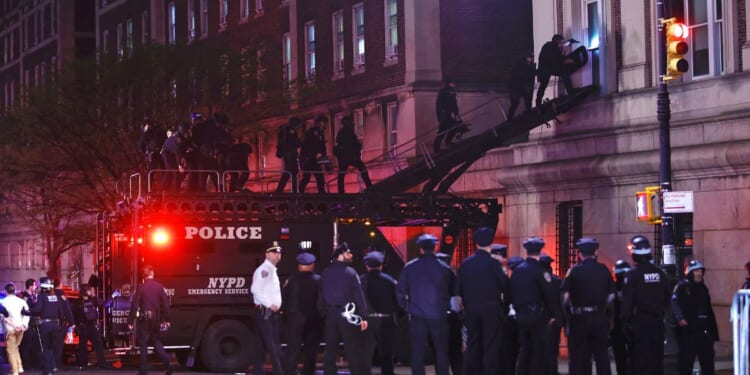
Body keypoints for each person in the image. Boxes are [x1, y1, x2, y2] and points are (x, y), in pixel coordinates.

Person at [397, 234, 453, 375]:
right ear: (434, 248)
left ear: (420, 249)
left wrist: (407, 308)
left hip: (417, 315)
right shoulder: (444, 268)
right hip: (439, 314)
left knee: (417, 351)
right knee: (441, 350)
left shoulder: (409, 267)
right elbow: (454, 289)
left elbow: (400, 291)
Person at [456, 227, 508, 375]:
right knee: (490, 344)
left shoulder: (466, 264)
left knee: (473, 343)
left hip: (471, 308)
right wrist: (504, 306)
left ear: (475, 243)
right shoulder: (494, 264)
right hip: (491, 309)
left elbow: (457, 290)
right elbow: (505, 286)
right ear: (491, 243)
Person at [561, 238, 615, 375]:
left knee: (578, 357)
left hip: (579, 319)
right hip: (599, 317)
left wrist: (566, 316)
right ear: (596, 252)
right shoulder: (603, 270)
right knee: (602, 356)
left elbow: (565, 297)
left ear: (580, 254)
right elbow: (611, 296)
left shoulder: (574, 271)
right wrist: (606, 312)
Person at [510, 237, 562, 375]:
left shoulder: (517, 270)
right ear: (540, 251)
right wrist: (555, 316)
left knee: (524, 349)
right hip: (537, 316)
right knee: (538, 351)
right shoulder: (540, 271)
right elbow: (549, 295)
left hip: (520, 315)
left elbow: (511, 292)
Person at [621, 235, 670, 375]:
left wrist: (625, 324)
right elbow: (667, 298)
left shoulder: (632, 275)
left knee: (639, 363)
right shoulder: (660, 273)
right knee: (656, 362)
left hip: (639, 325)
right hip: (657, 324)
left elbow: (627, 305)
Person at [319, 242, 370, 375]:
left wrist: (324, 312)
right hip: (347, 314)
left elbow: (321, 294)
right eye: (348, 253)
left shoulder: (326, 271)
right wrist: (364, 316)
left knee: (330, 349)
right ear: (341, 255)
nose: (351, 255)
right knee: (352, 348)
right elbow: (359, 296)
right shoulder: (350, 272)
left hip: (331, 314)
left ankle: (329, 372)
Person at [672, 260, 719, 375]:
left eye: (701, 271)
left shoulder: (703, 288)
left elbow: (708, 310)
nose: (699, 274)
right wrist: (680, 318)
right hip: (689, 332)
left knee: (708, 364)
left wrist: (713, 332)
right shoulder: (682, 287)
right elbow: (674, 302)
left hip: (704, 332)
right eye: (696, 271)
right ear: (690, 272)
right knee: (685, 364)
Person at [282, 251, 323, 375]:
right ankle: (308, 372)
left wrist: (285, 315)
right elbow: (322, 301)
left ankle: (290, 371)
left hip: (295, 319)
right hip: (313, 319)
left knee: (292, 348)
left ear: (299, 266)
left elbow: (284, 298)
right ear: (312, 265)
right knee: (311, 350)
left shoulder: (291, 280)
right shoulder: (319, 280)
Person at [128, 265, 172, 375]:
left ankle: (143, 371)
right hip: (155, 320)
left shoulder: (141, 287)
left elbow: (135, 305)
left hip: (144, 320)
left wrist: (130, 321)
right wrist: (167, 319)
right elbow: (166, 305)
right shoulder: (159, 287)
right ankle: (167, 360)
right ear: (152, 273)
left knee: (143, 346)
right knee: (156, 341)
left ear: (144, 275)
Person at [360, 251, 399, 375]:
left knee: (366, 354)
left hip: (367, 321)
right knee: (387, 354)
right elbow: (397, 301)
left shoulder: (360, 281)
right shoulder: (390, 280)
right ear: (381, 265)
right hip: (386, 321)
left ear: (366, 265)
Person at [250, 241, 284, 375]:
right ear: (267, 254)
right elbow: (255, 290)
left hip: (265, 312)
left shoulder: (271, 270)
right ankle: (279, 372)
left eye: (279, 252)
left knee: (260, 346)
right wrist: (270, 304)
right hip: (266, 312)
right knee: (273, 345)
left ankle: (258, 371)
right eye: (274, 252)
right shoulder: (264, 270)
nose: (278, 255)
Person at [28, 277, 67, 375]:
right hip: (55, 325)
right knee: (51, 347)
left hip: (45, 325)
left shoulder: (42, 296)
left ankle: (47, 370)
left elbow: (37, 309)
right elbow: (61, 312)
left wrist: (27, 311)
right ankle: (53, 367)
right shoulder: (56, 296)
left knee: (44, 348)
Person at [435, 252, 463, 375]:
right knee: (455, 352)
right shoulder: (450, 273)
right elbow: (457, 296)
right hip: (452, 317)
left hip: (436, 318)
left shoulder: (431, 276)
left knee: (440, 352)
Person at [536, 34, 577, 107]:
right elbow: (559, 59)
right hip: (545, 69)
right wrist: (569, 61)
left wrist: (568, 42)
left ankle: (538, 102)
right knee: (563, 73)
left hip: (547, 68)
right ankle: (570, 92)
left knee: (543, 86)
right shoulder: (552, 48)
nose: (562, 44)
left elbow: (559, 56)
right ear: (558, 41)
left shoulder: (550, 46)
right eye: (561, 42)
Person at [73, 285, 108, 369]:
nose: (90, 292)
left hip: (91, 326)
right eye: (89, 290)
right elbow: (73, 315)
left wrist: (113, 297)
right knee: (83, 346)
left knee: (98, 344)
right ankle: (83, 364)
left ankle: (102, 363)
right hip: (83, 326)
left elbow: (105, 304)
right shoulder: (77, 302)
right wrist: (75, 326)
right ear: (84, 291)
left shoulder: (93, 300)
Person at [334, 116, 372, 193]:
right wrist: (357, 148)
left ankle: (341, 190)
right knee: (361, 167)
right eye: (351, 122)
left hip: (345, 157)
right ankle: (369, 185)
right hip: (350, 156)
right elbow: (353, 144)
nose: (353, 124)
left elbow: (340, 142)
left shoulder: (342, 132)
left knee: (341, 173)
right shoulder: (348, 132)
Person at [539, 254, 563, 375]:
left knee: (539, 349)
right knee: (553, 349)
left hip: (540, 318)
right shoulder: (558, 281)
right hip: (554, 319)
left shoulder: (536, 280)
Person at [2, 282, 29, 375]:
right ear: (15, 290)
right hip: (21, 328)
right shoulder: (22, 301)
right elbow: (27, 314)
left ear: (6, 291)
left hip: (10, 329)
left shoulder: (3, 302)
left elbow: (4, 318)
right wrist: (23, 325)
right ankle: (20, 367)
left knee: (10, 350)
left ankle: (14, 371)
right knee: (15, 348)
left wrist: (14, 326)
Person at [503, 256, 525, 375]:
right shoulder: (526, 282)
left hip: (511, 319)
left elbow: (506, 300)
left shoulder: (509, 281)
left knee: (510, 352)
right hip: (523, 318)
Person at [611, 260, 632, 375]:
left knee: (620, 357)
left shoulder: (612, 288)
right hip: (630, 325)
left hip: (617, 326)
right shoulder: (634, 287)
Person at [299, 116, 329, 193]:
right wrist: (324, 162)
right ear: (321, 123)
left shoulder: (319, 133)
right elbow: (316, 147)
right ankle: (300, 192)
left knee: (317, 177)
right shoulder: (315, 132)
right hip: (309, 159)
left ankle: (321, 193)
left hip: (311, 159)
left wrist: (325, 162)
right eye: (325, 123)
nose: (326, 125)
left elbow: (321, 149)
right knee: (308, 177)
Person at [275, 117, 302, 193]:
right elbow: (296, 143)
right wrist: (300, 141)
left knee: (289, 171)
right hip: (290, 153)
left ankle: (281, 190)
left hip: (287, 153)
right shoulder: (291, 131)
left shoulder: (285, 130)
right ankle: (294, 190)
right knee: (292, 171)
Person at [17, 279, 39, 370]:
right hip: (27, 324)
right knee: (26, 346)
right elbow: (26, 311)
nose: (36, 287)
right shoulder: (24, 297)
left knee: (33, 345)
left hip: (34, 324)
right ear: (30, 286)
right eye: (34, 285)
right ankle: (26, 365)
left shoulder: (34, 296)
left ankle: (32, 363)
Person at [52, 279, 74, 371]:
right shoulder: (62, 295)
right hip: (61, 323)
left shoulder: (50, 295)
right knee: (59, 345)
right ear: (60, 284)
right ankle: (57, 365)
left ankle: (51, 364)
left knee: (51, 345)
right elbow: (67, 310)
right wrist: (72, 322)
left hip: (50, 323)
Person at [507, 52, 536, 120]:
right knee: (517, 101)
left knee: (521, 101)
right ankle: (510, 117)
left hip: (518, 86)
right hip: (517, 86)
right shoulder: (523, 66)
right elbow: (526, 74)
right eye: (530, 58)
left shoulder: (522, 65)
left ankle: (511, 117)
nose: (531, 59)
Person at [434, 79, 460, 153]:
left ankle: (447, 141)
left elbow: (454, 104)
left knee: (454, 127)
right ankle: (437, 148)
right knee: (442, 130)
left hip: (449, 114)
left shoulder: (452, 92)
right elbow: (439, 104)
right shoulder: (443, 92)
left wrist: (456, 113)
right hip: (444, 114)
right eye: (453, 83)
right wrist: (440, 114)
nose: (454, 85)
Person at [104, 283, 132, 348]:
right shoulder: (116, 299)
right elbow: (106, 305)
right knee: (119, 348)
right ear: (121, 290)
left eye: (127, 290)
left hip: (128, 329)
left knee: (128, 347)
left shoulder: (132, 299)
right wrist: (112, 297)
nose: (126, 291)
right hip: (118, 328)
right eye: (124, 290)